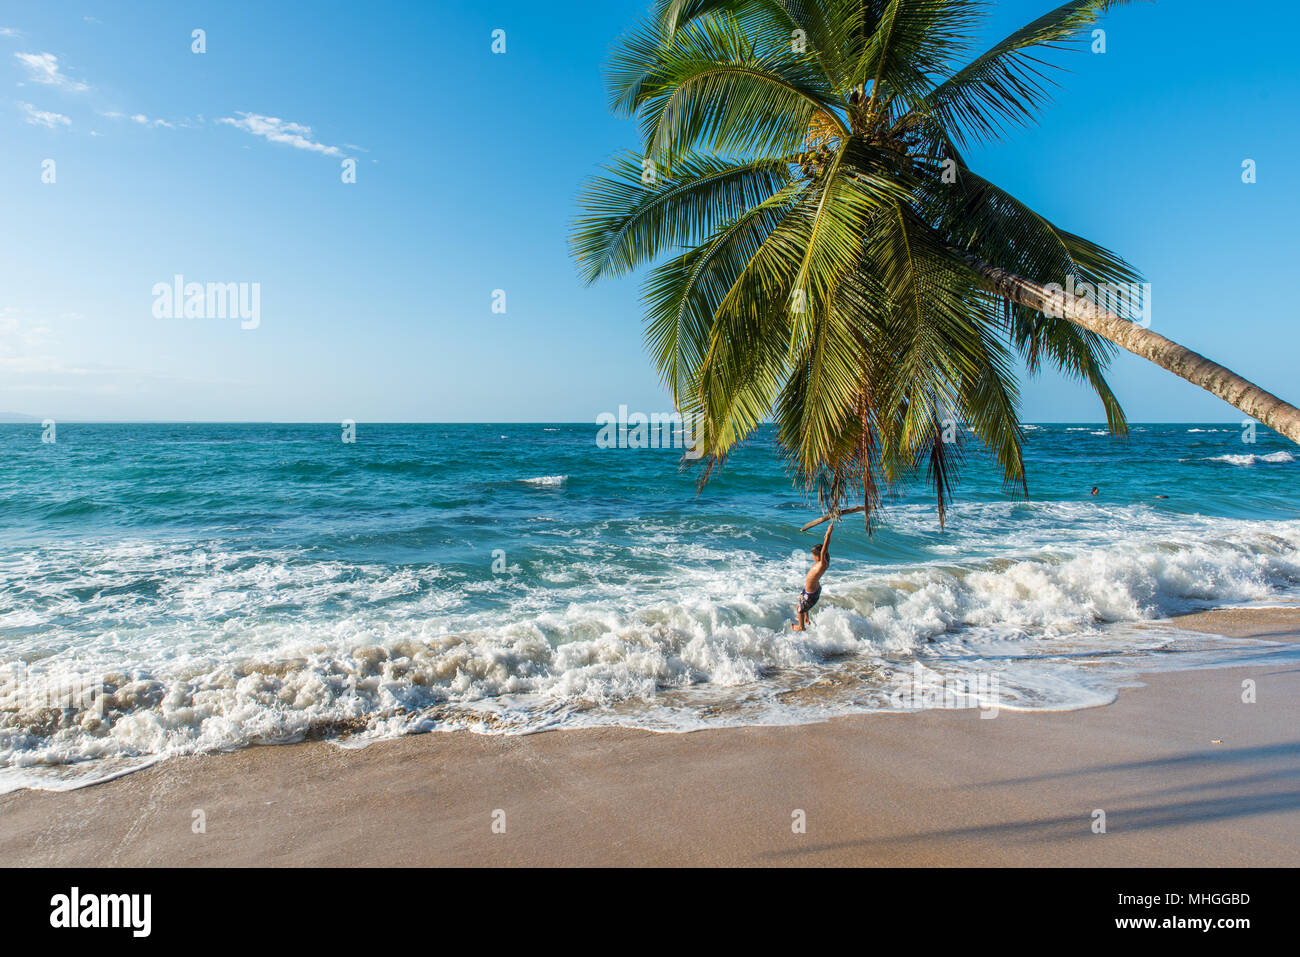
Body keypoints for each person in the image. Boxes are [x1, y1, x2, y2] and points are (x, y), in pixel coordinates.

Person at [793, 521, 834, 631]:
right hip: (809, 590)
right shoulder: (820, 563)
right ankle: (806, 619)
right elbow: (825, 551)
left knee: (800, 609)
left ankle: (801, 627)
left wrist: (828, 534)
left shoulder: (822, 564)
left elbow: (825, 549)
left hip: (812, 593)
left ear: (818, 555)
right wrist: (826, 535)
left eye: (813, 556)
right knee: (800, 601)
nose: (813, 558)